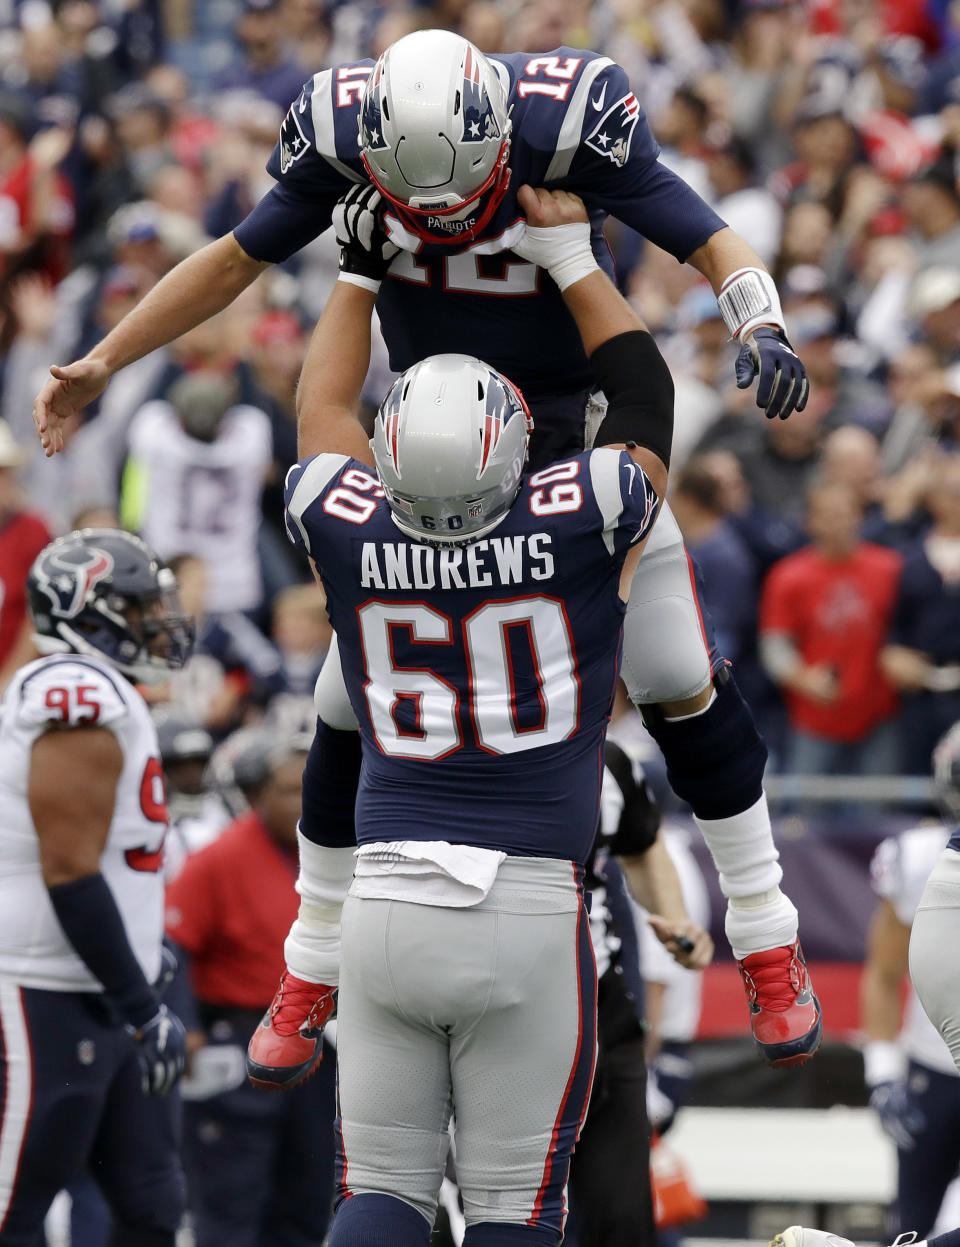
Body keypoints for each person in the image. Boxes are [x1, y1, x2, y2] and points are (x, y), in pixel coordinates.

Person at [32, 29, 818, 1066]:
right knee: (338, 698)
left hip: (569, 437)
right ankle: (311, 957)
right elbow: (235, 259)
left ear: (499, 138)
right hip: (430, 456)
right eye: (417, 207)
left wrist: (761, 318)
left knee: (676, 673)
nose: (440, 223)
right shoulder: (345, 132)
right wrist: (103, 355)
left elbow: (708, 236)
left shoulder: (565, 122)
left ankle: (767, 934)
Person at [245, 184, 697, 1247]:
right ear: (513, 447)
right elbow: (643, 394)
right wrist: (571, 258)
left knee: (381, 1191)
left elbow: (321, 414)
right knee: (513, 1208)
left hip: (387, 903)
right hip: (529, 905)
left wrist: (356, 273)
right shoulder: (579, 518)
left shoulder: (345, 528)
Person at [0, 526, 192, 1244]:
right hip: (42, 989)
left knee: (151, 1208)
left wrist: (144, 957)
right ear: (92, 615)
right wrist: (142, 1005)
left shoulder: (111, 691)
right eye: (143, 606)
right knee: (13, 1208)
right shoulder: (74, 694)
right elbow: (71, 871)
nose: (160, 620)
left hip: (107, 991)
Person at [164, 729, 336, 1247]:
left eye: (315, 788)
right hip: (236, 1044)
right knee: (230, 1205)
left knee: (308, 1201)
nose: (305, 802)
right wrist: (186, 1026)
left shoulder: (333, 856)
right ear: (259, 795)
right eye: (290, 790)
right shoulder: (221, 857)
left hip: (318, 1048)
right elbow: (171, 945)